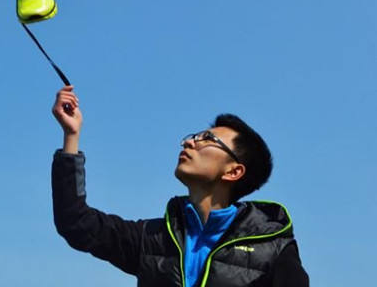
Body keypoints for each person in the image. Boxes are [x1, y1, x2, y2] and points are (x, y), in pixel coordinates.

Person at [51, 85, 309, 287]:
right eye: (194, 136)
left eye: (207, 139)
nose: (189, 142)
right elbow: (75, 222)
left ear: (234, 171)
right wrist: (71, 136)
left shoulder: (273, 249)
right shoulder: (151, 238)